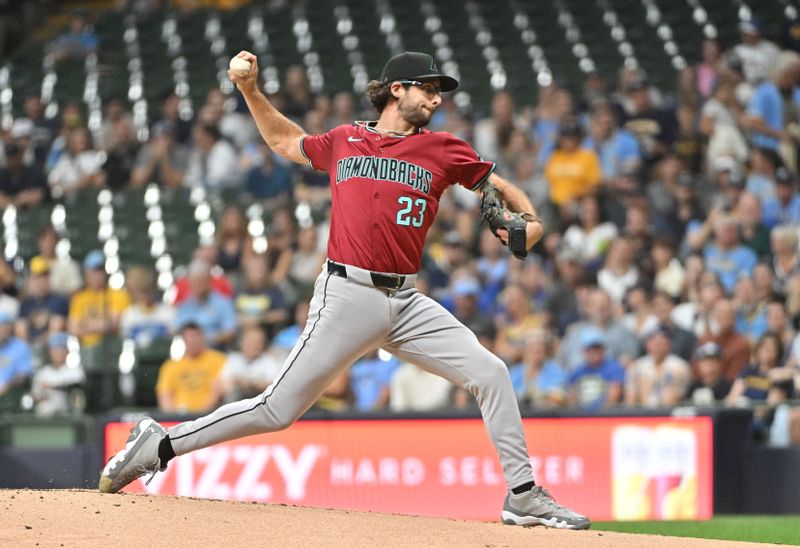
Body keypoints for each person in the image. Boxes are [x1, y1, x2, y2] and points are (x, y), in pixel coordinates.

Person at [100, 50, 589, 530]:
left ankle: (523, 495)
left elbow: (497, 185)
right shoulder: (345, 140)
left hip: (407, 300)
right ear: (397, 89)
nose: (436, 99)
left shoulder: (442, 149)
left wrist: (533, 220)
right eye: (429, 88)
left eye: (439, 92)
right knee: (275, 410)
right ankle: (159, 444)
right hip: (347, 294)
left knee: (492, 372)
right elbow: (285, 141)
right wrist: (250, 91)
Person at [155, 322, 226, 414]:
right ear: (184, 340)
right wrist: (172, 417)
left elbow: (217, 390)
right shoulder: (170, 366)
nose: (194, 340)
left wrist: (202, 416)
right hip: (180, 417)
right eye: (190, 337)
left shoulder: (218, 360)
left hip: (209, 416)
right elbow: (164, 394)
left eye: (197, 336)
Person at [68, 250, 131, 349]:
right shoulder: (79, 298)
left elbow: (111, 325)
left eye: (100, 270)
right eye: (94, 271)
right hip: (85, 349)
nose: (97, 275)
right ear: (86, 273)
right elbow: (73, 328)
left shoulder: (118, 294)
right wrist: (99, 324)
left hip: (111, 349)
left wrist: (85, 324)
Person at [625, 327, 691, 408]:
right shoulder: (636, 366)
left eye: (661, 344)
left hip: (668, 412)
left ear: (668, 345)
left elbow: (677, 396)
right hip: (642, 412)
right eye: (654, 344)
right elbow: (631, 397)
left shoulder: (680, 366)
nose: (658, 348)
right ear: (647, 345)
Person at [566, 328, 625, 412]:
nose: (594, 352)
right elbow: (572, 400)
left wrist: (596, 415)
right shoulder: (577, 371)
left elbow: (613, 398)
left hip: (605, 416)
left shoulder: (614, 368)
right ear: (584, 350)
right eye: (590, 348)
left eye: (597, 348)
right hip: (580, 417)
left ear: (603, 349)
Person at [31, 332, 85, 417]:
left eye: (61, 350)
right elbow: (35, 396)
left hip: (69, 410)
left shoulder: (75, 371)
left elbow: (76, 390)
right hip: (48, 411)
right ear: (49, 352)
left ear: (67, 351)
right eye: (55, 350)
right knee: (43, 408)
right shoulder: (43, 373)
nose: (58, 353)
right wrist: (41, 396)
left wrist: (52, 386)